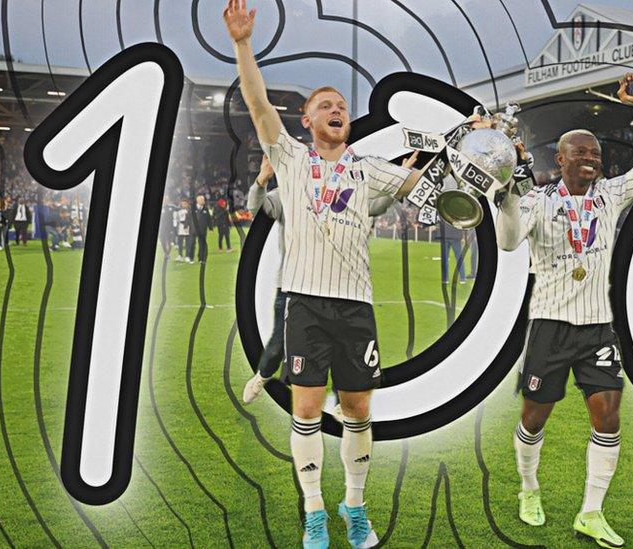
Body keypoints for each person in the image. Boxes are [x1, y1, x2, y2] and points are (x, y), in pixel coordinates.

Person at [225, 2, 428, 547]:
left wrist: (473, 152)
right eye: (325, 105)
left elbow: (425, 189)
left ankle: (353, 508)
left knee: (359, 409)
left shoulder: (368, 170)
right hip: (306, 305)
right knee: (308, 407)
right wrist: (244, 45)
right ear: (308, 121)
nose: (337, 109)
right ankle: (316, 513)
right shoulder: (289, 158)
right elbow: (257, 102)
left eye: (341, 105)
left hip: (355, 306)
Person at [495, 73, 633, 549]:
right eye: (582, 152)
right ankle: (528, 489)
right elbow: (509, 241)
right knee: (535, 419)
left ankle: (591, 512)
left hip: (598, 329)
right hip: (550, 327)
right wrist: (505, 196)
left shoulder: (611, 196)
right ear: (562, 159)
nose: (592, 158)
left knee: (608, 419)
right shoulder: (536, 200)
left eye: (596, 153)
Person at [243, 155, 407, 405]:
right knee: (279, 343)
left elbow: (376, 205)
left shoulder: (345, 195)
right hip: (295, 286)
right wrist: (262, 178)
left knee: (343, 346)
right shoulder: (288, 195)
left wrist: (399, 181)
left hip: (339, 286)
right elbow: (258, 208)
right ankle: (263, 376)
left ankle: (341, 404)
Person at [191, 194, 212, 263]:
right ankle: (191, 258)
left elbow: (209, 219)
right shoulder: (193, 209)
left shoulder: (205, 209)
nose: (203, 201)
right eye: (201, 200)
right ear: (197, 201)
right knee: (192, 243)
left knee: (202, 244)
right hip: (194, 229)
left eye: (203, 200)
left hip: (203, 229)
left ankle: (201, 258)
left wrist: (211, 228)